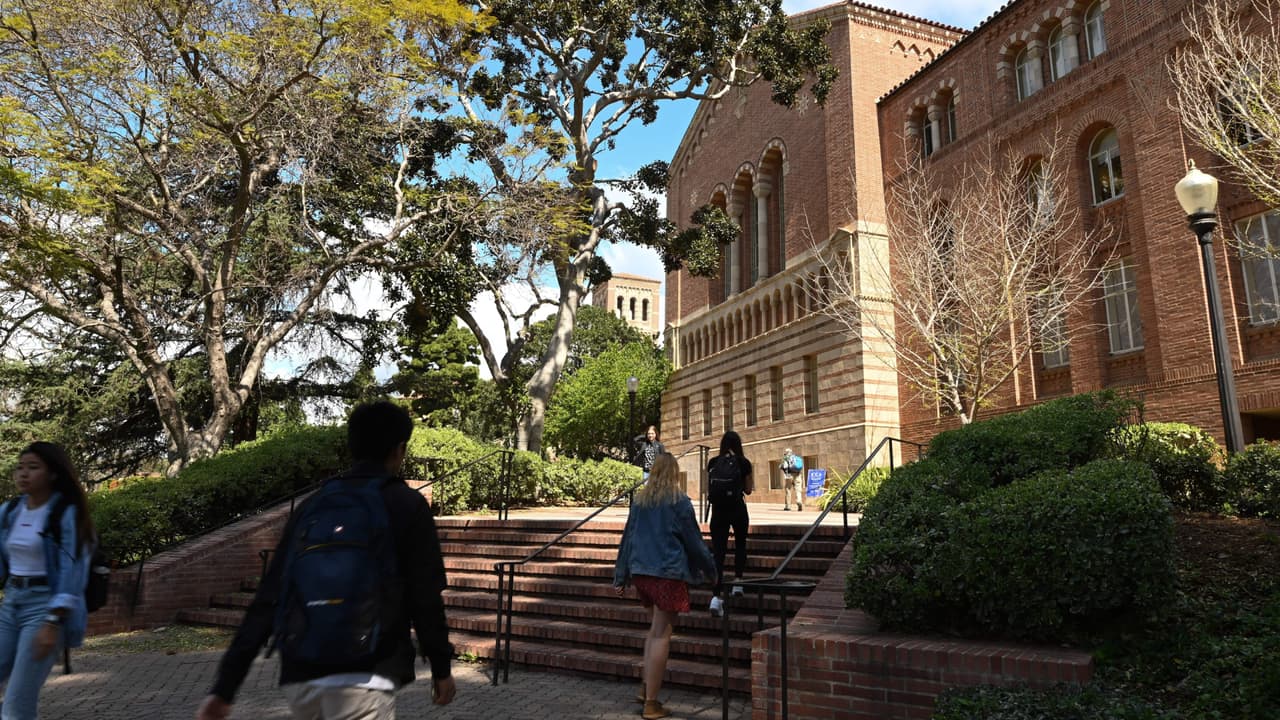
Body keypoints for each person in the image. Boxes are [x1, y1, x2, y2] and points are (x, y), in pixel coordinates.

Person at [196, 400, 456, 720]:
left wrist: (225, 688)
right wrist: (441, 668)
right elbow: (425, 597)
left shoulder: (313, 505)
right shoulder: (406, 504)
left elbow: (269, 597)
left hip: (301, 674)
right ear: (399, 449)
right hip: (365, 677)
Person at [613, 452, 715, 720]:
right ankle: (651, 703)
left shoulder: (640, 502)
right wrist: (711, 571)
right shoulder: (679, 502)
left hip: (641, 573)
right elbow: (694, 543)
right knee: (661, 635)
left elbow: (627, 540)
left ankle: (646, 687)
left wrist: (620, 575)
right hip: (667, 573)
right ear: (674, 474)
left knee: (654, 631)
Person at [0, 441, 94, 720]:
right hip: (11, 603)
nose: (23, 474)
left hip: (44, 608)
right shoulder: (9, 511)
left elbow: (72, 571)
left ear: (52, 473)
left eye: (33, 467)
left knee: (16, 705)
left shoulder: (65, 514)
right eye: (20, 467)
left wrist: (53, 622)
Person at [705, 431, 753, 617]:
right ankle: (738, 582)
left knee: (718, 552)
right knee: (740, 544)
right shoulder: (744, 463)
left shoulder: (713, 462)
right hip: (737, 508)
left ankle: (715, 597)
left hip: (718, 511)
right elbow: (748, 490)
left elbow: (708, 489)